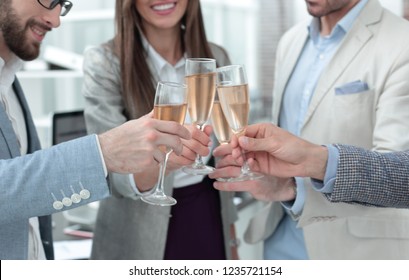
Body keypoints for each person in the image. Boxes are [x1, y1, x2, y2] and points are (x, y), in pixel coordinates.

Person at [211, 0, 409, 259]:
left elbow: (397, 176)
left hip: (351, 252)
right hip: (279, 241)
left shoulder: (401, 42)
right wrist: (284, 187)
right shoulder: (290, 41)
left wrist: (302, 183)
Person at [0, 0, 191, 260]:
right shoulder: (105, 61)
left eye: (62, 5)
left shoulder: (10, 79)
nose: (55, 20)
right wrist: (103, 152)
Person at [82, 0, 238, 260]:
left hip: (206, 213)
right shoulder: (104, 62)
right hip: (136, 230)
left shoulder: (216, 57)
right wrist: (170, 163)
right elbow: (111, 172)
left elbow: (224, 157)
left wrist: (231, 240)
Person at [212, 123, 409, 209]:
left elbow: (401, 175)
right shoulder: (290, 43)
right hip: (279, 238)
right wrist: (289, 186)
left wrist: (315, 161)